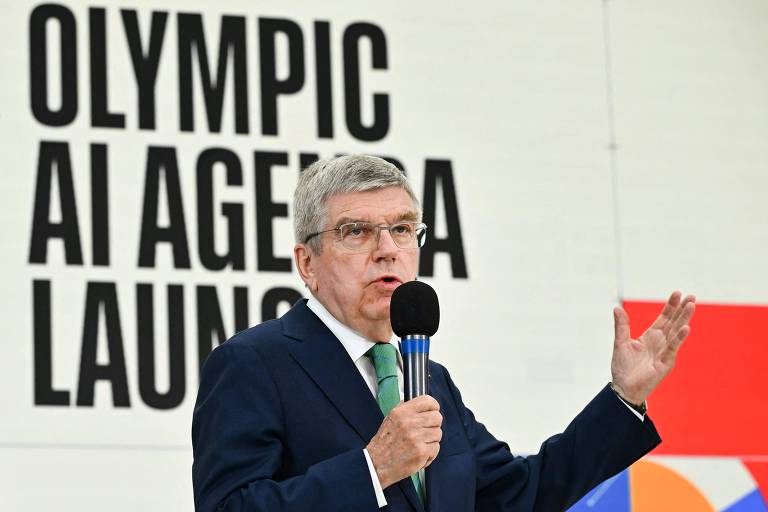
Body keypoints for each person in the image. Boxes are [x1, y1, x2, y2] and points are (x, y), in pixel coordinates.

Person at [191, 154, 696, 512]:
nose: (388, 249)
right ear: (307, 262)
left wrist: (623, 398)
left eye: (404, 228)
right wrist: (372, 470)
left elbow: (520, 494)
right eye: (357, 231)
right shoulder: (255, 364)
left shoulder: (427, 377)